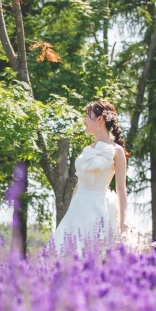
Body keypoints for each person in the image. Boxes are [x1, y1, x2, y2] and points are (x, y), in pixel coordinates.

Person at [51, 100, 128, 253]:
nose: (84, 121)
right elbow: (79, 185)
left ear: (99, 119)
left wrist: (123, 221)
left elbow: (121, 189)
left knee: (97, 253)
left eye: (87, 116)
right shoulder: (87, 150)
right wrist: (70, 211)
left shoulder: (117, 151)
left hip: (99, 209)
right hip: (77, 209)